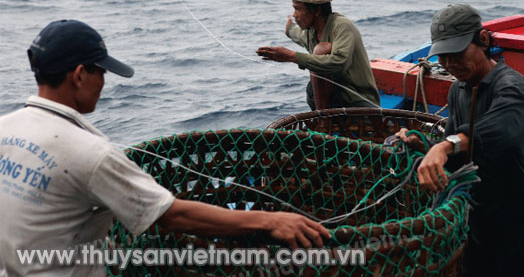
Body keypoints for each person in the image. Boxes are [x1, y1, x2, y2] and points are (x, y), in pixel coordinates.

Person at [0, 20, 329, 276]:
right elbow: (172, 216)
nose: (103, 82)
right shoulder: (90, 153)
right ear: (79, 75)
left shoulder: (5, 128)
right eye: (101, 71)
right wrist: (270, 222)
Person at [397, 4, 524, 277]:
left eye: (457, 53)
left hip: (517, 218)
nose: (450, 64)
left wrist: (445, 147)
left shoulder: (511, 85)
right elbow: (458, 154)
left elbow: (498, 132)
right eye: (443, 57)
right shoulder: (458, 89)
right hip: (476, 216)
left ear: (482, 40)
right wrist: (424, 146)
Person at [256, 0, 380, 110]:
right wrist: (289, 28)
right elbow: (297, 34)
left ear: (317, 11)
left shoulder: (342, 26)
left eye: (298, 9)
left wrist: (292, 57)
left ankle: (323, 120)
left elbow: (339, 61)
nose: (294, 15)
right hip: (333, 102)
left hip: (358, 101)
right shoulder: (310, 31)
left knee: (321, 50)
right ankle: (323, 117)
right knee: (311, 87)